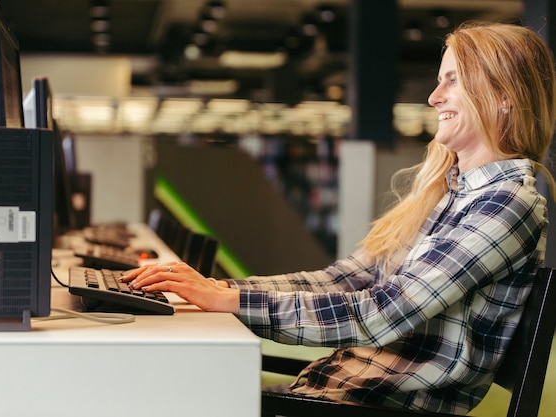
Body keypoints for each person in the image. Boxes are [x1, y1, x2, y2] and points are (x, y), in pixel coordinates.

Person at [121, 22, 556, 414]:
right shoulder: (452, 192)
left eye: (452, 81)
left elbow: (382, 313)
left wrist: (229, 301)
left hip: (365, 403)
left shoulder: (506, 205)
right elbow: (344, 280)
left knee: (151, 395)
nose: (433, 97)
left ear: (503, 98)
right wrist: (218, 289)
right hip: (334, 391)